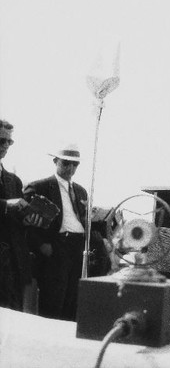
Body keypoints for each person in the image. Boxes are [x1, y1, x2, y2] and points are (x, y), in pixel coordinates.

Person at [24, 143, 109, 321]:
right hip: (57, 246)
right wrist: (41, 244)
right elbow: (26, 221)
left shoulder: (80, 190)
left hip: (78, 247)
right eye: (66, 163)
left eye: (75, 164)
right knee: (54, 299)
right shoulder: (40, 186)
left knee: (73, 298)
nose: (70, 168)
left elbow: (85, 220)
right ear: (55, 161)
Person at [0, 119, 42, 310]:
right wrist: (7, 205)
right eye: (2, 140)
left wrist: (28, 219)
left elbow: (17, 220)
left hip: (11, 264)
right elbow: (9, 207)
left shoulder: (14, 180)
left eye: (9, 142)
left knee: (11, 319)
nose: (6, 146)